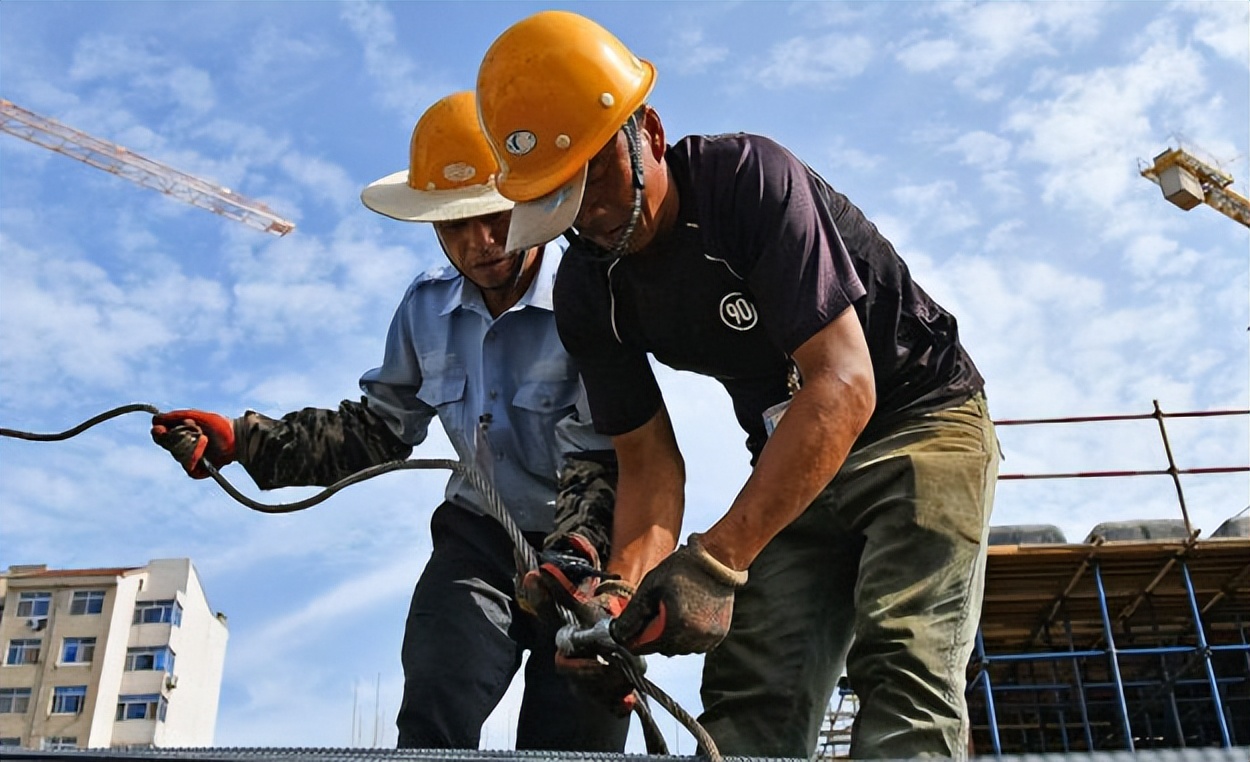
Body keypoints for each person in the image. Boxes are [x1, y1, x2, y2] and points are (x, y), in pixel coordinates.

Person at [475, 11, 1000, 760]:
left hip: (918, 419)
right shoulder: (588, 291)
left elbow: (845, 385)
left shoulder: (747, 180)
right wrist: (616, 604)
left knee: (903, 675)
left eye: (596, 172)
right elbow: (648, 467)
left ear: (648, 130)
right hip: (797, 453)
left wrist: (717, 560)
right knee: (749, 698)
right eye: (557, 194)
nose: (586, 211)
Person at [149, 91, 629, 752]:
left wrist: (576, 561)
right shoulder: (425, 308)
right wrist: (247, 443)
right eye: (454, 225)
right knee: (435, 695)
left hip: (593, 556)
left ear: (524, 198)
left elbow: (606, 458)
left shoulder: (592, 293)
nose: (479, 243)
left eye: (492, 217)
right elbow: (376, 430)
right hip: (481, 539)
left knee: (573, 736)